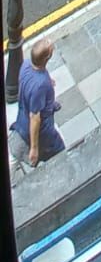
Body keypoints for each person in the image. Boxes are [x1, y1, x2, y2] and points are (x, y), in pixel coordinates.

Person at [9, 38, 65, 167]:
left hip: (27, 115)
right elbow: (35, 118)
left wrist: (47, 78)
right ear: (47, 57)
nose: (50, 43)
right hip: (44, 131)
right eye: (50, 46)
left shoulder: (26, 65)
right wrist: (34, 148)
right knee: (60, 152)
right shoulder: (40, 86)